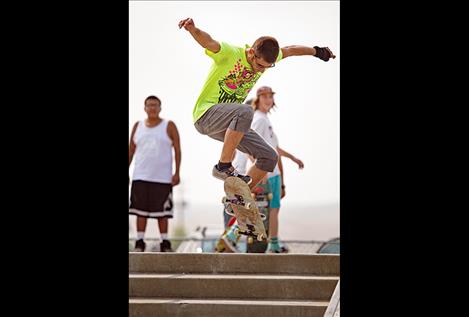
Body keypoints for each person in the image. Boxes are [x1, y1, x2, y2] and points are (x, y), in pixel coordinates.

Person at [178, 17, 334, 193]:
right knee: (245, 110)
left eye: (267, 67)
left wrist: (318, 52)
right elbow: (209, 42)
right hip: (206, 116)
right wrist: (193, 29)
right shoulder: (231, 53)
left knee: (269, 157)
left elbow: (290, 50)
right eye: (259, 65)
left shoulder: (267, 58)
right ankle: (223, 166)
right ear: (251, 52)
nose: (260, 70)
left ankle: (240, 196)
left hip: (229, 125)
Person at [222, 88, 305, 253]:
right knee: (259, 209)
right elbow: (250, 147)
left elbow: (275, 148)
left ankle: (273, 245)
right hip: (267, 173)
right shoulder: (259, 119)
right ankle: (232, 235)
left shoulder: (265, 119)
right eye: (264, 97)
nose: (268, 100)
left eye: (270, 96)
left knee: (274, 209)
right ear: (258, 100)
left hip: (274, 173)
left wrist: (292, 158)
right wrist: (261, 171)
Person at [129, 95, 181, 252]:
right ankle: (139, 241)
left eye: (155, 105)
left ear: (160, 108)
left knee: (162, 213)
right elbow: (131, 150)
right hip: (140, 175)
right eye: (149, 105)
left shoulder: (169, 125)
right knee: (140, 211)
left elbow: (177, 149)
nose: (152, 108)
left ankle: (164, 242)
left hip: (162, 177)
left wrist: (177, 172)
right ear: (144, 108)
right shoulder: (138, 126)